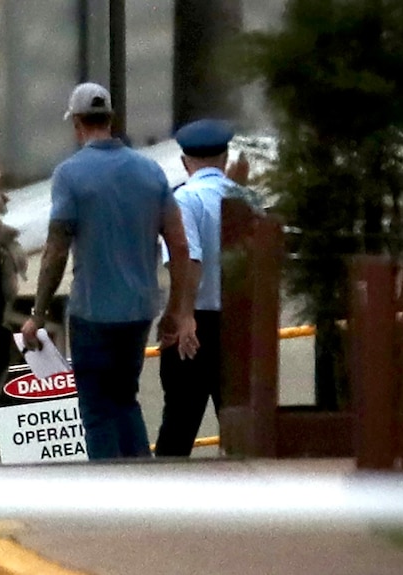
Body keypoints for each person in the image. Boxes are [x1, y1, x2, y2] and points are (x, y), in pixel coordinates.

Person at [21, 82, 197, 460]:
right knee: (125, 400)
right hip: (139, 310)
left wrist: (38, 313)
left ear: (77, 123)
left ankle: (110, 496)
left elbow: (55, 249)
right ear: (111, 119)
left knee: (98, 412)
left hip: (92, 312)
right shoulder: (151, 172)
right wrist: (177, 310)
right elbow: (180, 246)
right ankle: (142, 485)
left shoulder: (70, 175)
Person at [155, 118, 264, 458]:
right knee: (239, 425)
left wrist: (182, 315)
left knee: (179, 423)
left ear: (185, 162)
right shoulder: (249, 198)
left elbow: (189, 259)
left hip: (197, 321)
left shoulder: (185, 199)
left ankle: (162, 499)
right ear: (225, 156)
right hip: (239, 322)